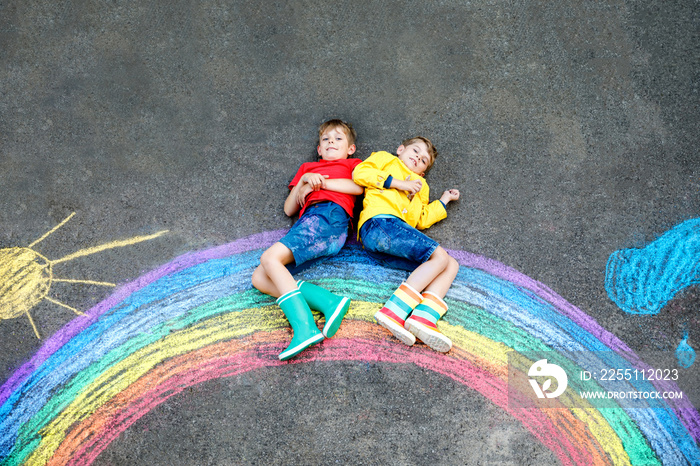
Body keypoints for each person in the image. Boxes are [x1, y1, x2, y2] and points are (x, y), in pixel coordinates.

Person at [252, 119, 363, 361]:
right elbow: (289, 209)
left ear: (350, 149)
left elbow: (359, 187)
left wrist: (321, 183)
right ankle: (329, 302)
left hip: (329, 217)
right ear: (319, 150)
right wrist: (304, 181)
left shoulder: (353, 165)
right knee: (260, 277)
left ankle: (304, 328)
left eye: (338, 139)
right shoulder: (308, 168)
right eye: (326, 140)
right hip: (311, 224)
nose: (331, 142)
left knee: (270, 258)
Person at [352, 136, 460, 352]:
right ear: (400, 149)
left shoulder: (421, 186)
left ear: (422, 172)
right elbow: (360, 173)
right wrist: (400, 184)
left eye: (423, 160)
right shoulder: (385, 159)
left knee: (450, 264)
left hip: (390, 241)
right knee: (438, 256)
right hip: (380, 224)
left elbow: (420, 220)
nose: (418, 157)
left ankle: (424, 318)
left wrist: (443, 201)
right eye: (415, 151)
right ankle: (393, 311)